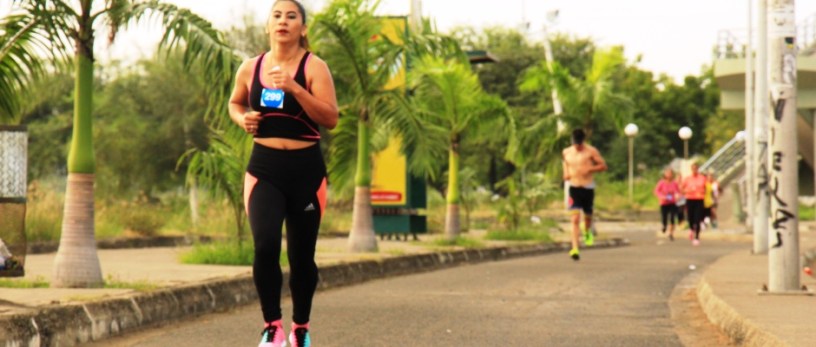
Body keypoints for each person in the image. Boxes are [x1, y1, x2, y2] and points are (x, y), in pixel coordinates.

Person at [228, 1, 338, 346]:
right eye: (277, 15)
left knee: (302, 256)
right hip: (265, 170)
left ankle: (300, 328)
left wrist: (294, 88)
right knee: (264, 245)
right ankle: (272, 326)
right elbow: (235, 103)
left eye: (292, 16)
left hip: (306, 173)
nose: (283, 22)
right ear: (268, 26)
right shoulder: (250, 67)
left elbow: (330, 117)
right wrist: (242, 118)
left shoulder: (314, 67)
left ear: (302, 28)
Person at [562, 129, 607, 261]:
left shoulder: (591, 151)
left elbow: (603, 166)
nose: (578, 147)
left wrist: (590, 169)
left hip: (587, 187)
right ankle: (575, 248)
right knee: (574, 219)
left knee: (587, 216)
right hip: (574, 187)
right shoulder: (566, 152)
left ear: (583, 141)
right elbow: (565, 164)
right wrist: (565, 173)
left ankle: (587, 232)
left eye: (580, 144)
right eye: (576, 144)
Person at [681, 162, 707, 246]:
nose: (695, 170)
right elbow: (682, 189)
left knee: (698, 218)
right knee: (690, 217)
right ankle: (691, 229)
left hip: (699, 199)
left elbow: (706, 188)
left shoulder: (702, 178)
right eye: (693, 168)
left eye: (696, 168)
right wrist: (688, 191)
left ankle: (697, 237)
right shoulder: (687, 178)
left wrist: (701, 192)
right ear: (691, 169)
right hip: (690, 199)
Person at [653, 168, 681, 241]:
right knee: (664, 217)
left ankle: (671, 233)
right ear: (665, 174)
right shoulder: (661, 183)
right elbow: (656, 191)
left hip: (672, 202)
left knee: (672, 218)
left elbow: (678, 192)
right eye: (667, 173)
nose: (669, 175)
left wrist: (677, 196)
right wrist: (662, 196)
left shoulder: (674, 183)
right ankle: (664, 226)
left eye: (670, 173)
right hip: (664, 203)